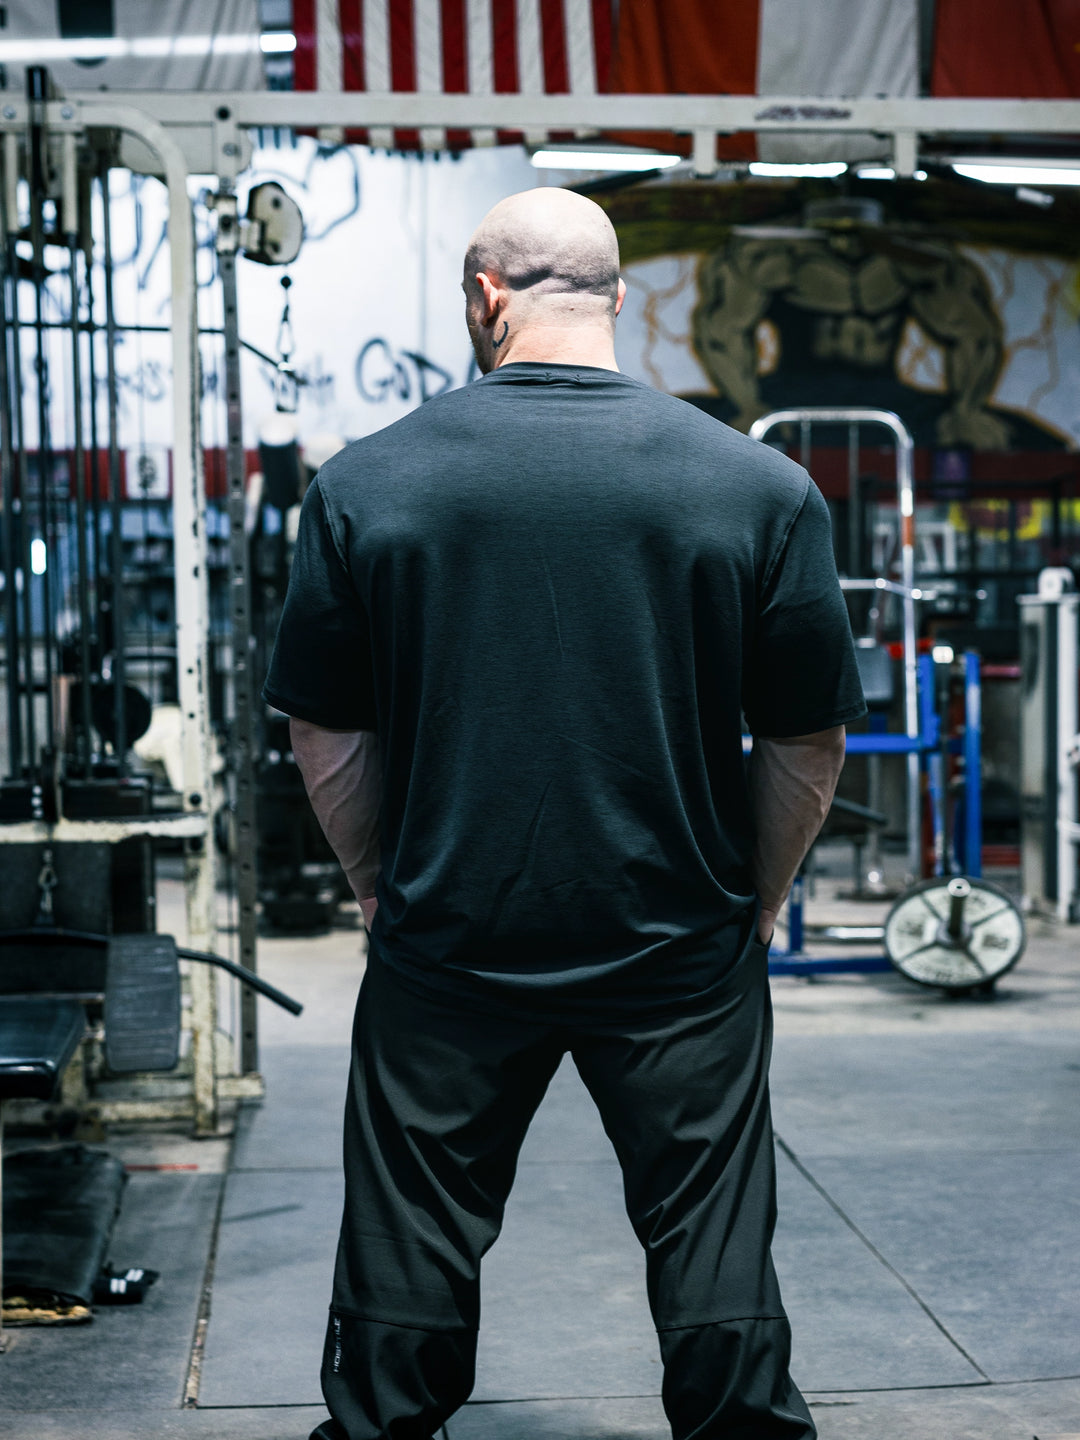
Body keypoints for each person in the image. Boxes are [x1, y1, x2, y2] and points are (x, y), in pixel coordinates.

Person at [263, 186, 866, 1440]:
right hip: (677, 943)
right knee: (709, 1227)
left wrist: (381, 882)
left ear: (485, 295)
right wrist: (754, 895)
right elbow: (806, 736)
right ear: (619, 299)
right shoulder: (757, 487)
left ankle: (383, 1424)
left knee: (411, 1228)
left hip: (451, 936)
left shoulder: (369, 484)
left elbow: (325, 733)